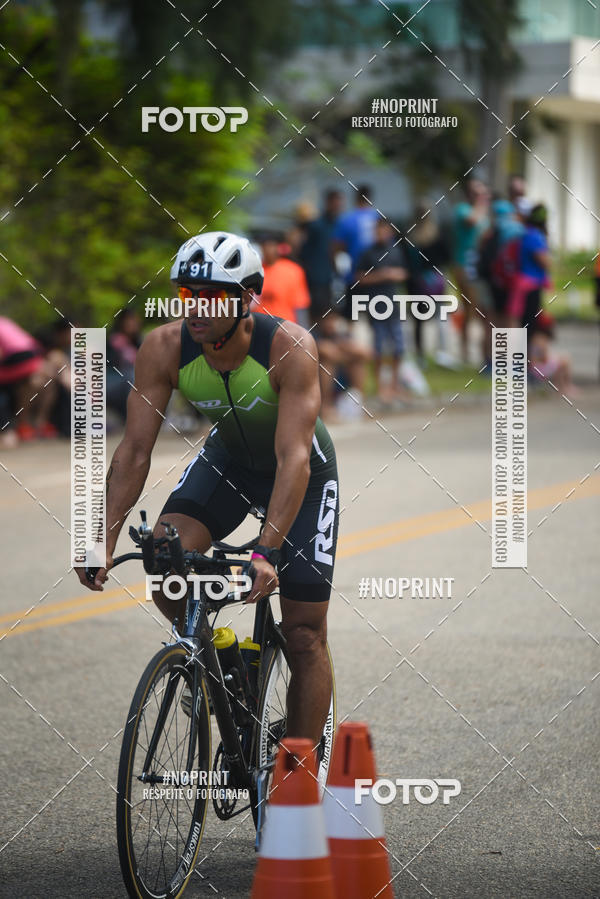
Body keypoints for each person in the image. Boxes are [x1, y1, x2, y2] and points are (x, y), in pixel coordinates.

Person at [75, 231, 338, 747]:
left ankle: (299, 775)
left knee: (305, 634)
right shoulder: (165, 347)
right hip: (229, 464)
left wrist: (267, 550)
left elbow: (294, 459)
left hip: (302, 477)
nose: (196, 308)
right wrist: (99, 538)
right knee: (164, 559)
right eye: (188, 294)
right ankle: (220, 655)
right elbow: (132, 453)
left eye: (213, 295)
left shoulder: (289, 348)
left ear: (245, 299)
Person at [356, 218, 408, 403]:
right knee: (378, 348)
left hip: (394, 306)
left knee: (398, 347)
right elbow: (360, 278)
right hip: (375, 306)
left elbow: (404, 273)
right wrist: (381, 276)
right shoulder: (367, 253)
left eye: (384, 230)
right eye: (377, 230)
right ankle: (380, 387)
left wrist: (394, 275)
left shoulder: (396, 251)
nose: (380, 234)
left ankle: (395, 385)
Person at [404, 204, 454, 368]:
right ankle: (442, 352)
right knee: (441, 317)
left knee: (419, 320)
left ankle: (420, 355)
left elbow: (406, 263)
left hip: (416, 283)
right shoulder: (437, 235)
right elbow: (447, 258)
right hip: (435, 282)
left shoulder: (410, 236)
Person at [0, 316, 58, 446]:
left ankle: (26, 424)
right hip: (34, 355)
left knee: (39, 381)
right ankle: (39, 423)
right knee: (38, 382)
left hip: (21, 359)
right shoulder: (5, 321)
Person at [452, 178, 490, 363]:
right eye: (476, 193)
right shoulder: (463, 209)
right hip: (464, 265)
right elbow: (472, 221)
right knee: (471, 307)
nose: (479, 196)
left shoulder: (484, 213)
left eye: (481, 193)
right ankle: (465, 350)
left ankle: (482, 350)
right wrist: (482, 203)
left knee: (481, 308)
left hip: (480, 265)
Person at [296, 190, 345, 323]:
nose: (338, 205)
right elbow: (304, 252)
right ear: (328, 202)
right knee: (318, 314)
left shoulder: (341, 225)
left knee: (333, 314)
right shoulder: (316, 226)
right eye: (335, 202)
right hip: (317, 278)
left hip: (335, 278)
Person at [332, 184, 378, 317]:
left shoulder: (347, 220)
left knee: (353, 317)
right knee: (377, 317)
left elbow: (336, 248)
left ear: (356, 198)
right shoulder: (379, 219)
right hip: (377, 276)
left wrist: (338, 270)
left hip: (355, 276)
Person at [507, 204, 551, 332]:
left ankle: (517, 350)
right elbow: (545, 262)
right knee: (527, 324)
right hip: (530, 286)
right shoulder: (534, 235)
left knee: (520, 321)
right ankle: (520, 351)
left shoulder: (526, 233)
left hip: (522, 283)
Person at [253, 234, 311, 327]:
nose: (268, 249)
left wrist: (303, 331)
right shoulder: (255, 270)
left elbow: (300, 305)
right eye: (265, 246)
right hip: (258, 326)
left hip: (284, 327)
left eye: (271, 245)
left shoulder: (293, 270)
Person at [529, 311, 577, 396]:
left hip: (535, 367)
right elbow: (545, 359)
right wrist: (556, 358)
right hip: (537, 370)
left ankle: (562, 387)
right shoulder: (541, 339)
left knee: (562, 360)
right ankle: (564, 387)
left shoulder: (535, 336)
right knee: (564, 361)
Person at [106, 308, 143, 421]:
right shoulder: (114, 341)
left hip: (130, 381)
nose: (134, 323)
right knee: (132, 375)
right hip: (111, 381)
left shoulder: (139, 342)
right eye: (130, 320)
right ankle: (135, 419)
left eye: (135, 320)